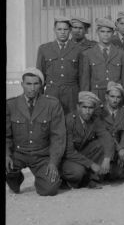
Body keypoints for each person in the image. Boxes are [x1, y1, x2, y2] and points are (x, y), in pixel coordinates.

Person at [6, 68, 65, 196]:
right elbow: (7, 136)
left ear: (41, 85)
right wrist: (6, 155)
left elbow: (58, 137)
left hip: (41, 155)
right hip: (18, 153)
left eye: (36, 84)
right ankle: (15, 179)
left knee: (50, 188)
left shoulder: (52, 105)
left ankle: (40, 179)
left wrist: (53, 162)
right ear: (22, 84)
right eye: (28, 84)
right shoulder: (11, 104)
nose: (32, 88)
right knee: (7, 168)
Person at [61, 91, 114, 189]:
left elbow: (107, 138)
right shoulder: (69, 121)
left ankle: (92, 180)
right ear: (78, 107)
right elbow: (69, 152)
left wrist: (107, 158)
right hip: (67, 158)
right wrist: (91, 164)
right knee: (78, 172)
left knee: (100, 145)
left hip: (81, 154)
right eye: (84, 107)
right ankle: (66, 181)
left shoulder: (94, 119)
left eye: (91, 108)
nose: (87, 111)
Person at [36, 16, 83, 115]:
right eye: (59, 29)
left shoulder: (78, 49)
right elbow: (40, 76)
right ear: (54, 30)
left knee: (72, 121)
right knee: (51, 120)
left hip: (71, 94)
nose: (62, 32)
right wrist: (39, 97)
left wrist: (82, 96)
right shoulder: (44, 49)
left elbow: (82, 76)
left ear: (70, 30)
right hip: (52, 92)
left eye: (65, 29)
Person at [80, 17, 124, 104]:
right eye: (102, 31)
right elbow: (85, 82)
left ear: (113, 33)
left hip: (116, 96)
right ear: (97, 32)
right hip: (96, 96)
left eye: (108, 32)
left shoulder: (121, 54)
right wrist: (85, 100)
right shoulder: (88, 54)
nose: (105, 35)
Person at [98, 81, 124, 179]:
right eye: (112, 96)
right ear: (106, 96)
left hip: (120, 149)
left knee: (120, 173)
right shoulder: (99, 113)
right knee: (101, 174)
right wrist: (120, 149)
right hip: (104, 149)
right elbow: (105, 136)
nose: (115, 100)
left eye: (118, 97)